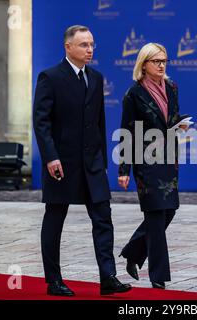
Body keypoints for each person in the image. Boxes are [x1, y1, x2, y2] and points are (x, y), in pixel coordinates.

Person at [33, 25, 131, 296]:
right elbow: (41, 123)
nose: (89, 50)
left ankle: (108, 278)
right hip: (61, 164)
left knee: (103, 218)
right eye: (84, 45)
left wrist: (101, 159)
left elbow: (98, 121)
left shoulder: (96, 78)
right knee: (55, 217)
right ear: (68, 47)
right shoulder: (50, 77)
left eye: (92, 45)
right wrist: (50, 157)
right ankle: (53, 281)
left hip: (92, 163)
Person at [118, 43, 187, 289]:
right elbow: (127, 132)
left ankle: (132, 253)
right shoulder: (133, 94)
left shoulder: (172, 87)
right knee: (155, 216)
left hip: (169, 158)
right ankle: (159, 277)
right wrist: (124, 169)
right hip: (145, 161)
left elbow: (173, 117)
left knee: (169, 211)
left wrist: (181, 124)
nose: (161, 65)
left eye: (164, 61)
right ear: (143, 64)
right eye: (156, 61)